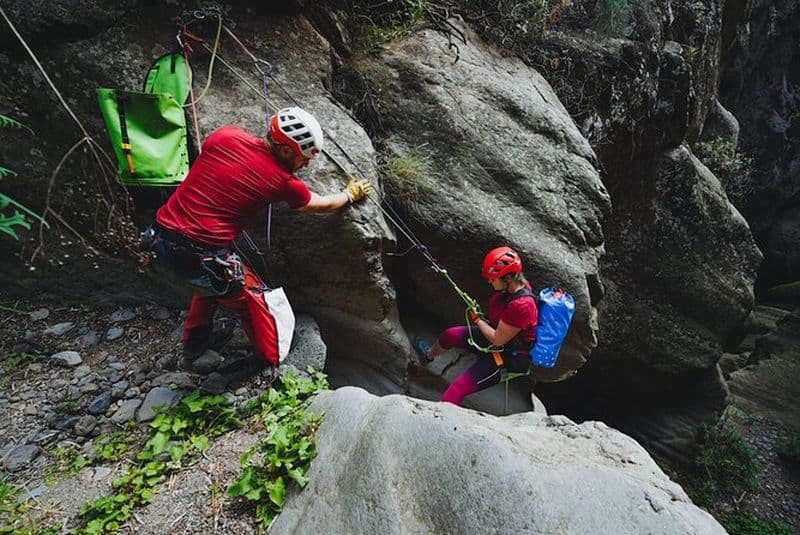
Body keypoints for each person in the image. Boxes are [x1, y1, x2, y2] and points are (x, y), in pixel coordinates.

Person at [143, 106, 371, 393]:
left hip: (159, 241)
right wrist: (349, 194)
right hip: (201, 257)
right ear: (286, 151)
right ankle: (264, 362)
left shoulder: (225, 135)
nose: (306, 164)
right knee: (253, 305)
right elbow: (319, 204)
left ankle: (194, 347)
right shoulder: (284, 181)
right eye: (304, 157)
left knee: (210, 286)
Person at [414, 246, 538, 406]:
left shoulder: (522, 305)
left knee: (456, 390)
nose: (489, 281)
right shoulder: (512, 288)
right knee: (451, 335)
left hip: (509, 357)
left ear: (507, 278)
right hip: (499, 339)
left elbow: (497, 339)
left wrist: (477, 320)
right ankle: (428, 356)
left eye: (493, 279)